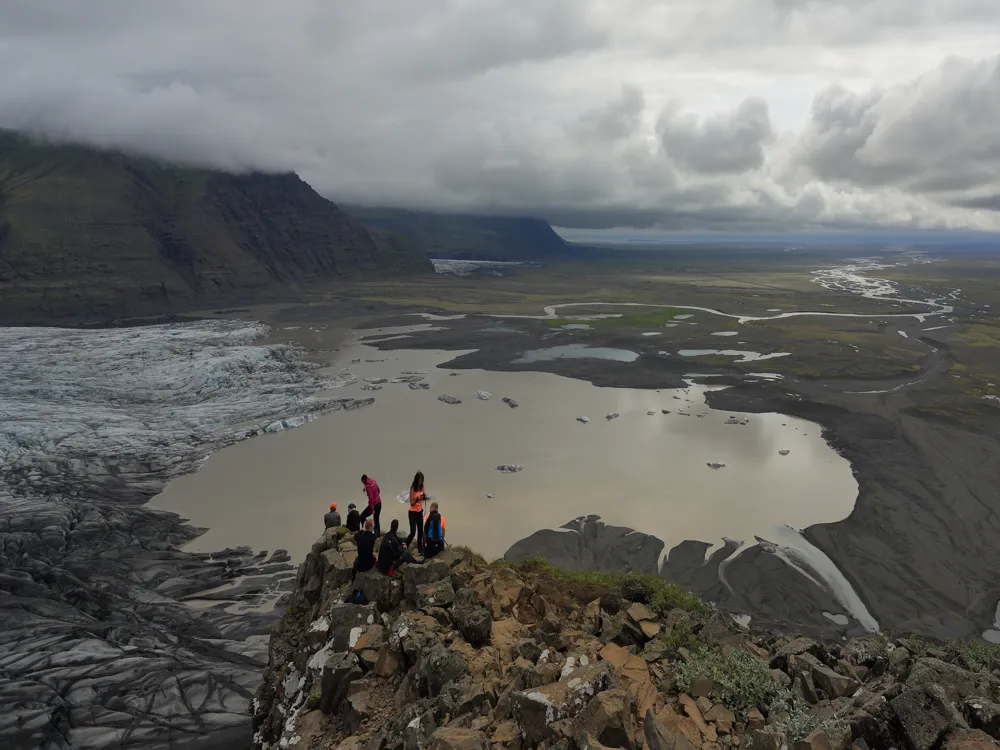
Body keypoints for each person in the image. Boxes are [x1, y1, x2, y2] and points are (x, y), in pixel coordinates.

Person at [405, 471, 426, 553]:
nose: (421, 482)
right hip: (412, 512)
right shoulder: (413, 488)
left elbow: (423, 494)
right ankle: (405, 545)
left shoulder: (422, 486)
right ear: (417, 480)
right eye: (420, 480)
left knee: (420, 530)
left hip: (419, 511)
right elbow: (412, 503)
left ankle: (420, 549)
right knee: (413, 531)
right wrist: (418, 499)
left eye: (422, 480)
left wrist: (424, 497)